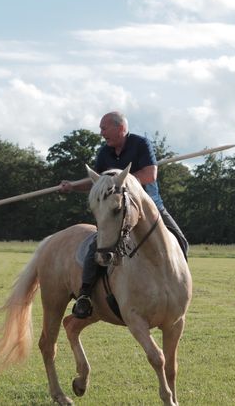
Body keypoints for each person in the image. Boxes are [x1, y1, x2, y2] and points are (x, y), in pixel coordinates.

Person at [59, 111, 188, 318]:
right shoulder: (104, 153)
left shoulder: (140, 144)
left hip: (151, 210)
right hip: (117, 214)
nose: (101, 133)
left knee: (181, 241)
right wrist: (72, 186)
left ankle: (178, 287)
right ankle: (85, 295)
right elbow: (99, 183)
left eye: (104, 128)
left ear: (120, 128)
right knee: (98, 248)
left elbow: (149, 175)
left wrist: (121, 181)